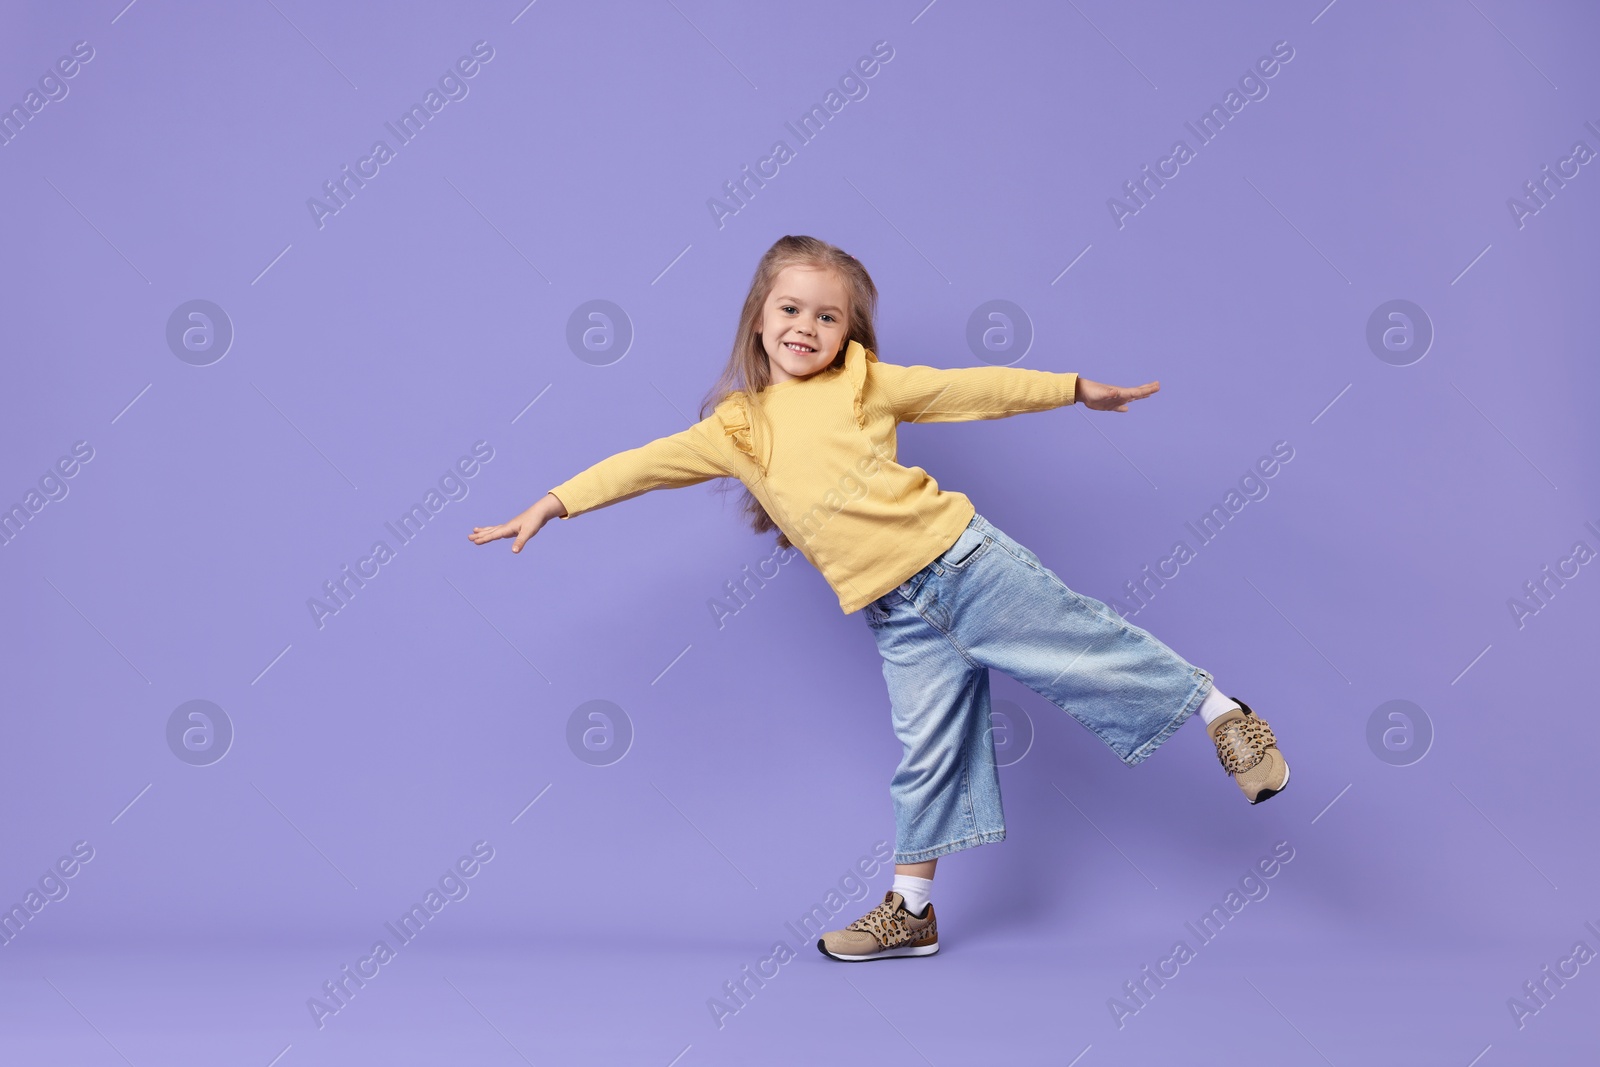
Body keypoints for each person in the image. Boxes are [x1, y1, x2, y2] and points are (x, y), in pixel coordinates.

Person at [469, 234, 1290, 963]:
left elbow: (975, 389)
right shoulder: (736, 428)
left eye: (828, 318)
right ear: (758, 317)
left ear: (847, 334)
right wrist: (553, 501)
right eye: (791, 308)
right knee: (926, 753)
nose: (806, 327)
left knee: (1081, 647)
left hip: (963, 565)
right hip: (895, 613)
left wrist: (1074, 387)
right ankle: (914, 912)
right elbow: (639, 463)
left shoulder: (866, 385)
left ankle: (1223, 712)